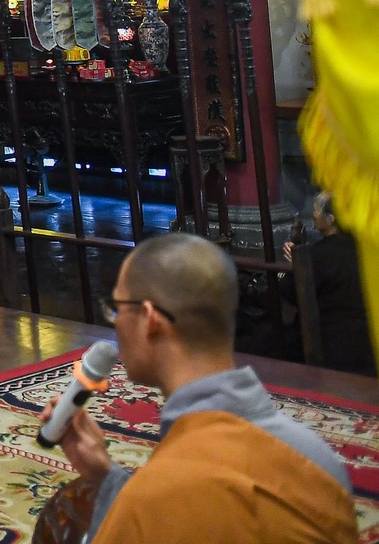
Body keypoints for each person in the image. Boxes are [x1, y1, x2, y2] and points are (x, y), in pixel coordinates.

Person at [41, 233, 355, 544]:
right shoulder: (321, 462)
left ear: (150, 320)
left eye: (117, 308)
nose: (114, 321)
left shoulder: (151, 501)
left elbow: (175, 509)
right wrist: (107, 475)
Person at [284, 193, 376, 375]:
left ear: (331, 219)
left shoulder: (317, 254)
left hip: (333, 344)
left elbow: (291, 294)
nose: (313, 214)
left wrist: (295, 267)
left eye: (316, 209)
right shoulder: (367, 248)